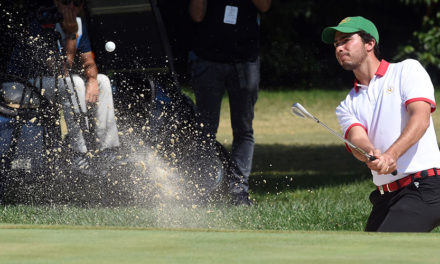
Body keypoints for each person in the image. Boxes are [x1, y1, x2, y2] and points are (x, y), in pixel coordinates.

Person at [321, 16, 440, 232]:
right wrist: (370, 152)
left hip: (425, 187)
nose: (339, 48)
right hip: (387, 196)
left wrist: (391, 155)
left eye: (346, 40)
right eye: (336, 44)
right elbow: (357, 139)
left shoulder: (407, 70)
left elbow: (420, 118)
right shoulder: (347, 105)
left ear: (369, 44)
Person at [2, 0, 121, 175]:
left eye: (77, 3)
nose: (71, 8)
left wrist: (93, 80)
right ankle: (78, 152)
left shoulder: (78, 24)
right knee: (74, 83)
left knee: (102, 80)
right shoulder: (43, 24)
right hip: (17, 86)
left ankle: (107, 151)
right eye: (66, 2)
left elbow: (88, 62)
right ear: (57, 3)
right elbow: (60, 71)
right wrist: (71, 35)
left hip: (50, 85)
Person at [188, 0, 271, 206]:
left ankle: (238, 192)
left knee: (243, 130)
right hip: (208, 60)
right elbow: (196, 15)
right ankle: (203, 189)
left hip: (245, 62)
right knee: (205, 130)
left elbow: (264, 6)